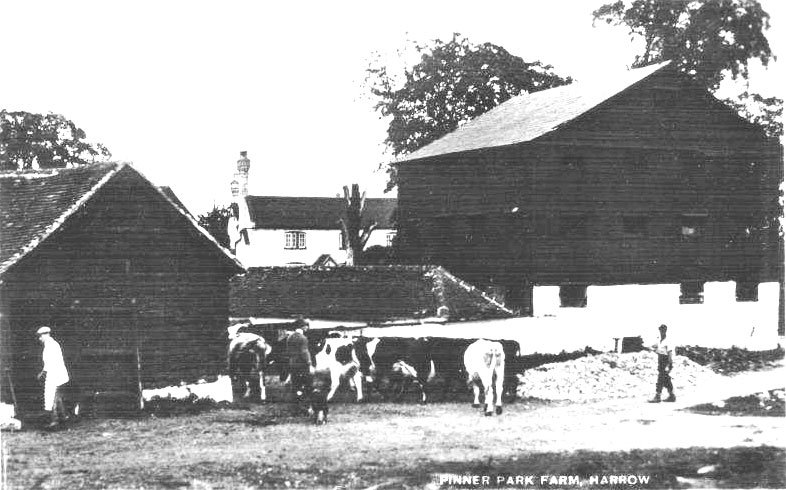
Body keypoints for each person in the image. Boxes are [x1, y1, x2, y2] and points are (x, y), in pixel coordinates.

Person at [36, 326, 70, 427]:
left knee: (51, 397)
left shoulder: (51, 345)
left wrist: (42, 373)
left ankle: (54, 420)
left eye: (40, 336)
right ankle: (64, 418)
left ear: (45, 335)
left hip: (54, 374)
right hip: (56, 373)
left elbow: (50, 362)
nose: (39, 339)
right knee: (57, 397)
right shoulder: (52, 344)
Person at [285, 317, 314, 403]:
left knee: (295, 382)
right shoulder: (303, 338)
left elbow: (288, 351)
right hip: (302, 363)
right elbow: (304, 352)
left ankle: (295, 399)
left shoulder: (289, 337)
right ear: (302, 327)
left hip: (292, 363)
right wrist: (309, 363)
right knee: (306, 381)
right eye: (306, 326)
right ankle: (304, 400)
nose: (307, 328)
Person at [649, 324, 676, 403]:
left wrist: (669, 364)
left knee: (661, 378)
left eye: (663, 330)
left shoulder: (668, 341)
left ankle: (658, 396)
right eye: (660, 330)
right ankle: (672, 396)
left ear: (665, 331)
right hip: (660, 360)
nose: (662, 332)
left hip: (666, 360)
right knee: (666, 379)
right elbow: (654, 347)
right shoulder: (659, 341)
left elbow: (670, 353)